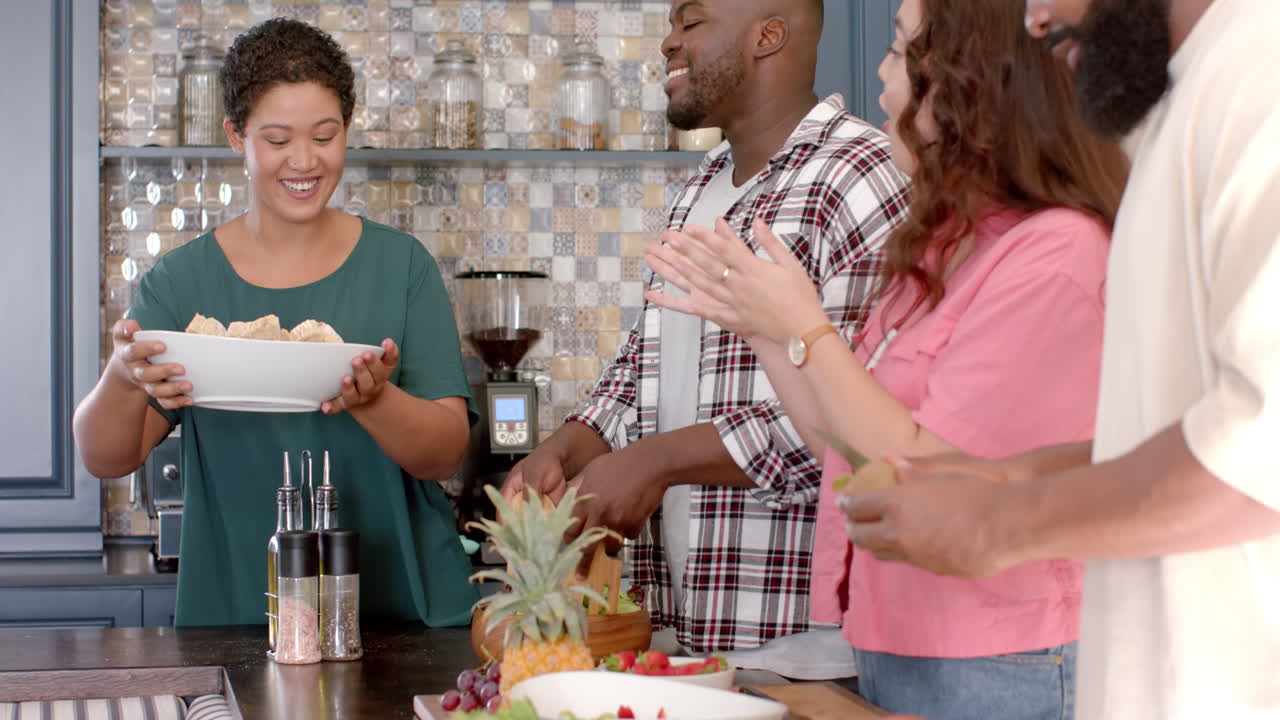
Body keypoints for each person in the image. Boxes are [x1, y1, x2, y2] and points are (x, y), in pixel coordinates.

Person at [645, 0, 1129, 717]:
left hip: (1001, 655)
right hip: (899, 641)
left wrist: (805, 327)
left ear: (968, 83)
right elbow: (841, 444)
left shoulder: (1057, 255)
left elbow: (934, 473)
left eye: (900, 52)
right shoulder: (942, 247)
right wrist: (762, 328)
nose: (880, 73)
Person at [832, 0, 1280, 718]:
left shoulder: (1261, 84)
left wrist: (1000, 521)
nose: (1034, 21)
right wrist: (1002, 479)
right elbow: (1176, 430)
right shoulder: (1191, 100)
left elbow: (1261, 451)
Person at [503, 0, 909, 679]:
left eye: (690, 22)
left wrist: (656, 462)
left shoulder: (859, 178)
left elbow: (856, 425)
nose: (667, 42)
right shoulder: (698, 190)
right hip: (687, 632)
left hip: (807, 646)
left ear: (767, 35)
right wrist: (567, 447)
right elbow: (644, 370)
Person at [72, 18, 478, 627]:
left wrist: (372, 400)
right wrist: (123, 377)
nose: (305, 161)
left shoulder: (402, 268)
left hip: (401, 612)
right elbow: (106, 455)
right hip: (239, 609)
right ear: (237, 136)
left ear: (347, 128)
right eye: (278, 138)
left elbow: (445, 452)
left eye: (325, 134)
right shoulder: (180, 284)